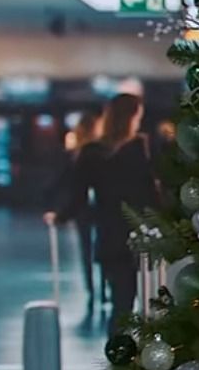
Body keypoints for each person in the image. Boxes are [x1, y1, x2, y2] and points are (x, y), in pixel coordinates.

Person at [48, 94, 158, 330]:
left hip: (111, 236)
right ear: (133, 117)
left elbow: (78, 195)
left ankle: (118, 350)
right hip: (145, 235)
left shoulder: (91, 153)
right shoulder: (143, 149)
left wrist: (59, 216)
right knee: (151, 302)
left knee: (120, 305)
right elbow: (154, 194)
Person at [46, 109, 105, 311]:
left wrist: (59, 211)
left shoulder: (76, 154)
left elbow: (65, 182)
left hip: (83, 209)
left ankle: (92, 288)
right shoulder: (100, 152)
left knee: (86, 248)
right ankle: (101, 288)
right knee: (102, 246)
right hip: (99, 207)